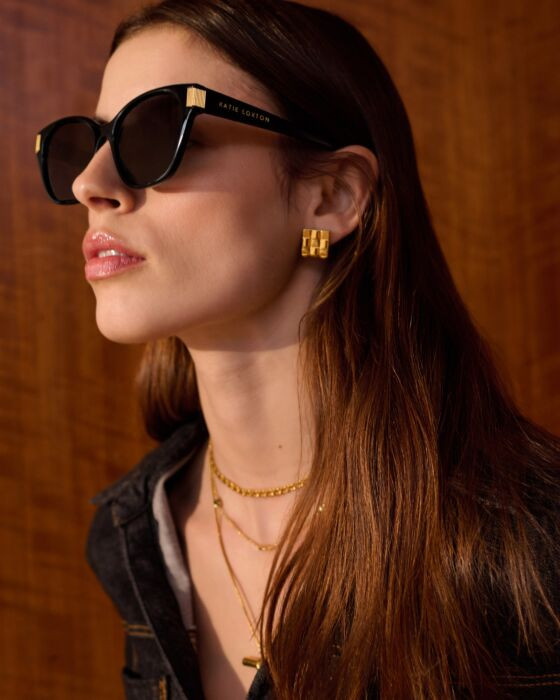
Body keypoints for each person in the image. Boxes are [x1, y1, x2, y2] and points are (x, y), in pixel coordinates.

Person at [34, 0, 560, 698]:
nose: (90, 185)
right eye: (90, 142)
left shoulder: (525, 547)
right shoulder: (134, 537)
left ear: (330, 197)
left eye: (160, 133)